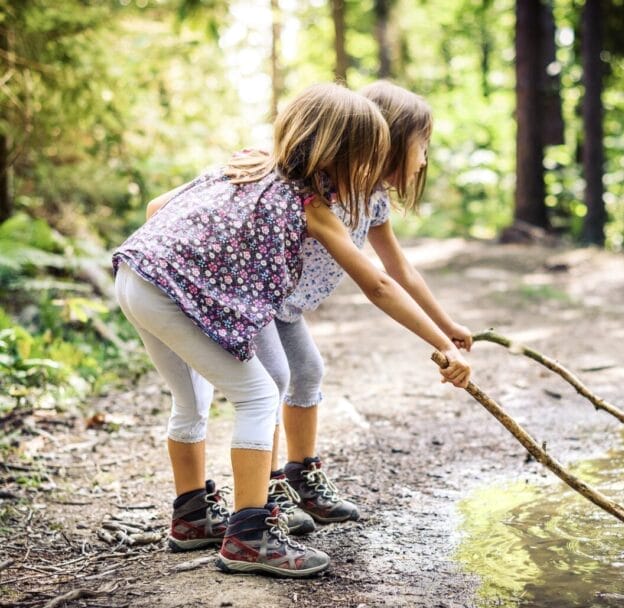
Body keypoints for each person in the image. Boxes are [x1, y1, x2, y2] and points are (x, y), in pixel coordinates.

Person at [113, 82, 471, 578]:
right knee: (260, 395)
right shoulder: (311, 204)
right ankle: (250, 536)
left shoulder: (253, 169)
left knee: (193, 400)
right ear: (345, 154)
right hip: (170, 293)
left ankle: (192, 516)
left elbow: (157, 210)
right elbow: (380, 285)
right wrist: (440, 342)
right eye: (368, 156)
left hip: (137, 273)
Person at [256, 80, 474, 536]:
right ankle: (267, 486)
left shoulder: (372, 199)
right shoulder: (320, 190)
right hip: (257, 298)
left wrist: (447, 325)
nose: (425, 159)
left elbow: (400, 270)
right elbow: (377, 284)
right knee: (273, 380)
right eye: (422, 146)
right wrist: (438, 342)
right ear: (388, 142)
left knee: (308, 372)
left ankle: (301, 475)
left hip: (287, 308)